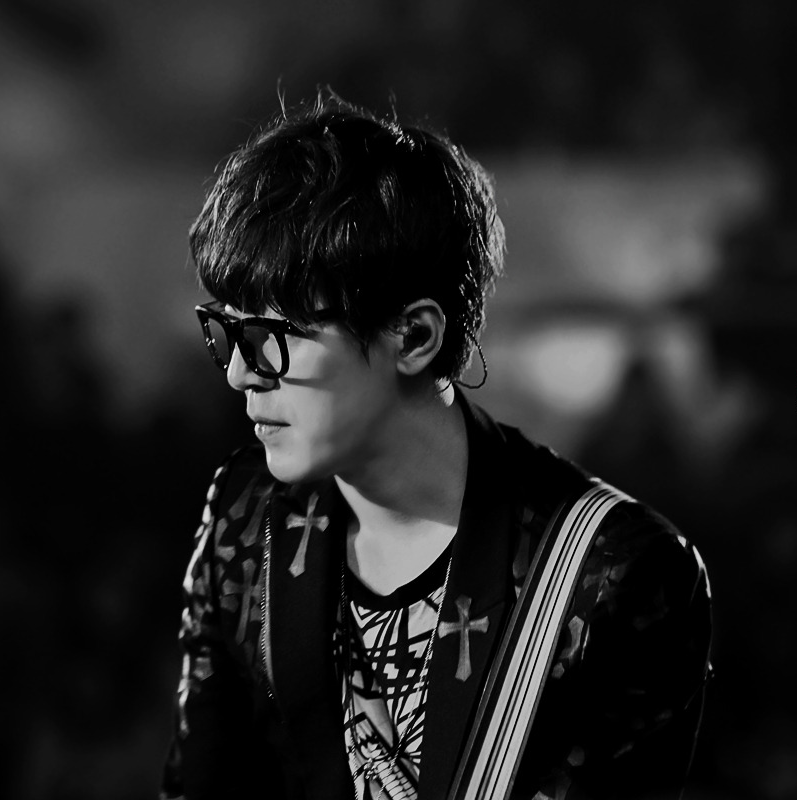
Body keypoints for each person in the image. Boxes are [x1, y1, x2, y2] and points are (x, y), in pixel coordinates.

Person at [161, 94, 712, 800]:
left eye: (271, 337)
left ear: (415, 337)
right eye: (228, 330)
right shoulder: (246, 520)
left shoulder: (612, 575)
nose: (239, 373)